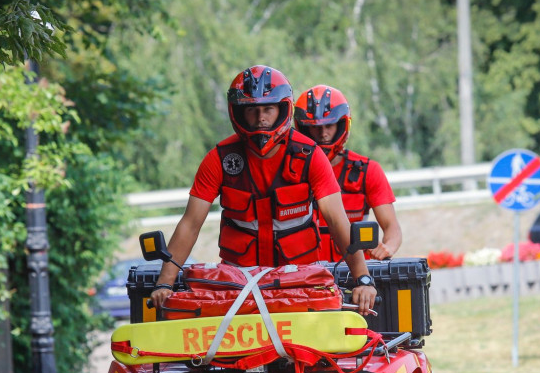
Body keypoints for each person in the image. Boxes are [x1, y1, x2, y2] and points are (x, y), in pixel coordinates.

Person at [149, 65, 377, 314]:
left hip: (301, 282)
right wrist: (165, 282)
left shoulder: (310, 154)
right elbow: (190, 223)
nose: (260, 118)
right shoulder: (219, 158)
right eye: (252, 110)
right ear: (238, 112)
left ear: (282, 108)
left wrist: (363, 279)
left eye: (268, 108)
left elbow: (336, 220)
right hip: (237, 285)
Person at [294, 84, 402, 262]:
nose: (323, 134)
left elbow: (392, 227)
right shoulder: (288, 170)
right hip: (306, 274)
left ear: (342, 123)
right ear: (303, 127)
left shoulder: (368, 171)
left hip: (355, 275)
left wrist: (388, 247)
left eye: (329, 125)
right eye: (315, 127)